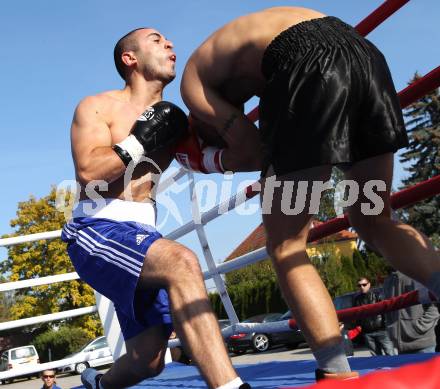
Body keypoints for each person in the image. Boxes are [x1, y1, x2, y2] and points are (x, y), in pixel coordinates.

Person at [178, 6, 440, 381]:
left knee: (286, 244)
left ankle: (336, 373)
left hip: (305, 65)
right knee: (372, 218)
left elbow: (251, 152)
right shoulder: (228, 54)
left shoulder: (193, 87)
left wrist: (211, 161)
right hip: (362, 55)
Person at [61, 28, 250, 389]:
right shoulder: (98, 106)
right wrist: (138, 142)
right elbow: (87, 174)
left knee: (148, 361)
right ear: (129, 59)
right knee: (182, 262)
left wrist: (230, 117)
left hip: (144, 233)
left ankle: (98, 384)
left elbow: (244, 156)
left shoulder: (178, 120)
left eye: (168, 41)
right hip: (97, 229)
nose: (170, 44)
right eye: (156, 39)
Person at [384, 270, 439, 354]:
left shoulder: (417, 276)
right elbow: (387, 308)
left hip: (424, 344)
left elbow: (433, 308)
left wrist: (418, 327)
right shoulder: (388, 280)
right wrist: (390, 328)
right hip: (401, 347)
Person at [352, 277, 396, 356]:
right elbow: (356, 316)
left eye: (364, 285)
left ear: (369, 285)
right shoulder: (356, 300)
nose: (362, 287)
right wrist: (359, 326)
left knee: (391, 355)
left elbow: (386, 310)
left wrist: (385, 324)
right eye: (359, 285)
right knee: (376, 358)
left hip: (381, 330)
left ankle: (397, 368)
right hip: (367, 333)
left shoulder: (378, 295)